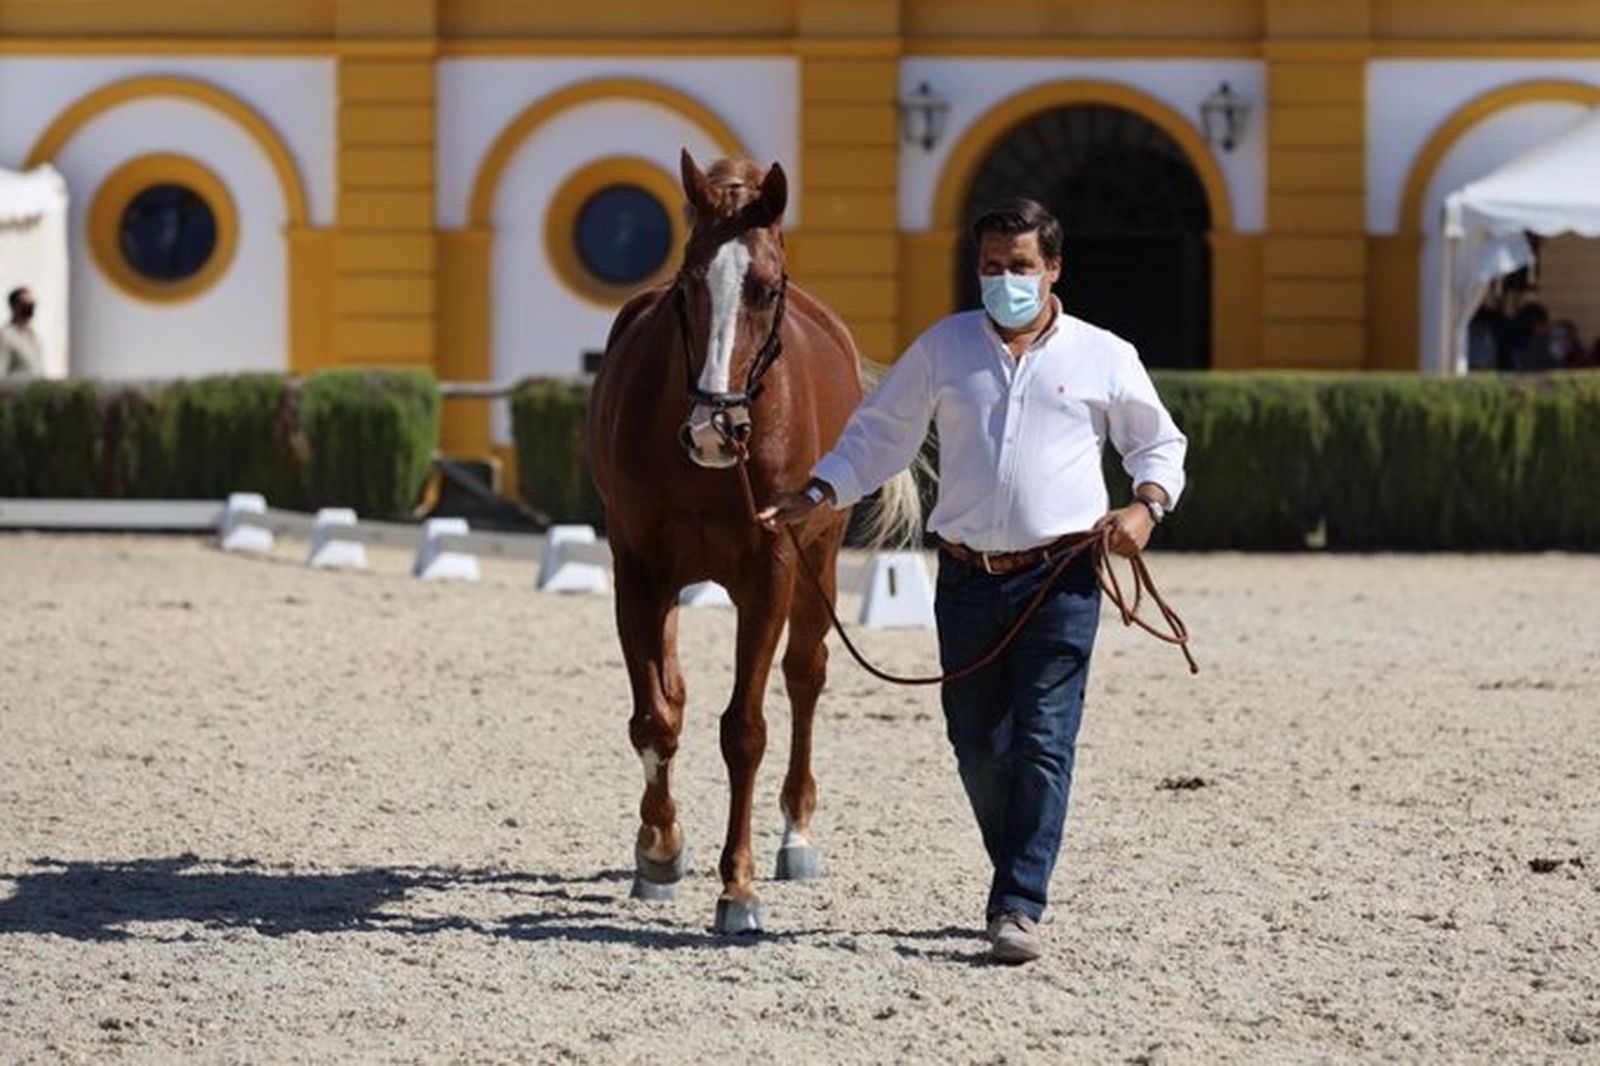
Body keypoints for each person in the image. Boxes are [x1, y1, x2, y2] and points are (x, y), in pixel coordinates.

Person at [757, 198, 1187, 965]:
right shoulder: (944, 349)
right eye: (992, 267)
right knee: (976, 745)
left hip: (1062, 578)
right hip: (964, 580)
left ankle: (1017, 903)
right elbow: (878, 436)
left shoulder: (1104, 355)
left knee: (1045, 743)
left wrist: (1147, 507)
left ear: (1053, 269)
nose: (1005, 280)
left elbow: (1157, 443)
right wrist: (821, 492)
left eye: (1020, 267)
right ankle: (1015, 862)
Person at [2, 287, 42, 380]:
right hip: (15, 393)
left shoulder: (32, 334)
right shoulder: (6, 336)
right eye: (25, 304)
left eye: (31, 304)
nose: (30, 308)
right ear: (14, 306)